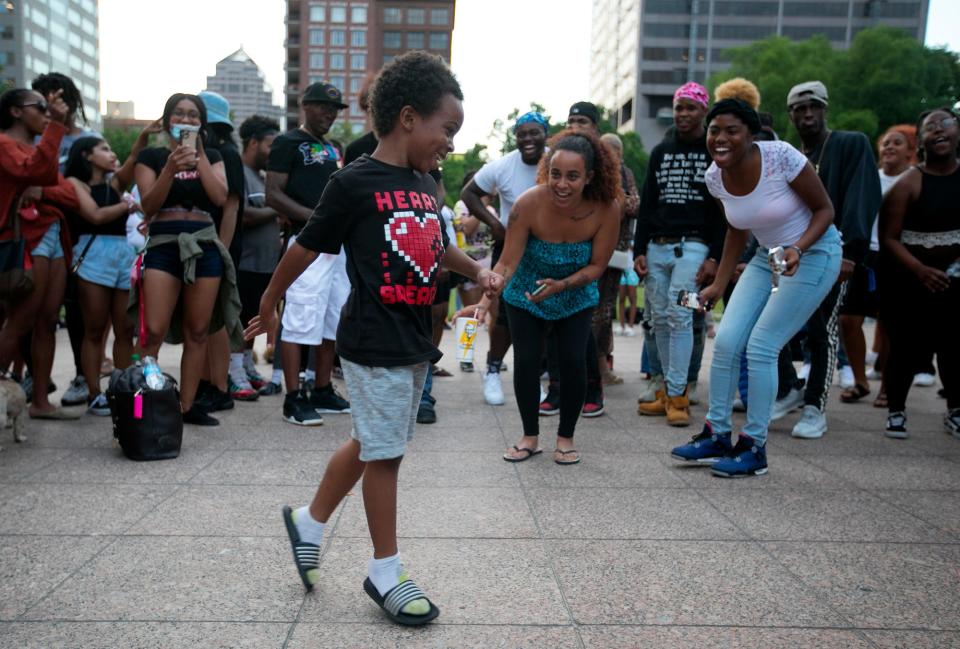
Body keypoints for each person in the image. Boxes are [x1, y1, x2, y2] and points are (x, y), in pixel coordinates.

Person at [244, 51, 502, 625]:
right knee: (386, 455)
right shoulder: (354, 181)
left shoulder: (427, 184)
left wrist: (477, 271)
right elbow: (307, 243)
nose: (451, 144)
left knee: (371, 441)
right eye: (448, 129)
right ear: (408, 117)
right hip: (372, 337)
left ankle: (309, 522)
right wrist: (269, 298)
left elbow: (437, 244)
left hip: (413, 338)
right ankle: (385, 571)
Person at [671, 98, 841, 478]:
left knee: (761, 346)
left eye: (732, 130)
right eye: (715, 130)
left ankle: (754, 446)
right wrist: (718, 282)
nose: (721, 138)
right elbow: (737, 227)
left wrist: (799, 247)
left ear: (751, 134)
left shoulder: (780, 156)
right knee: (728, 341)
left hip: (815, 253)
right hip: (770, 257)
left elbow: (825, 209)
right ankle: (716, 434)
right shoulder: (715, 176)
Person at [463, 129, 620, 465]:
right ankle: (529, 436)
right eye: (556, 174)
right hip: (526, 295)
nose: (562, 184)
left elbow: (597, 267)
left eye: (573, 177)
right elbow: (507, 262)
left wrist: (562, 285)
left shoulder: (606, 209)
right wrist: (485, 303)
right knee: (528, 361)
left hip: (575, 295)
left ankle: (566, 438)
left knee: (573, 362)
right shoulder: (528, 204)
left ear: (590, 177)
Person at [784, 81, 881, 439]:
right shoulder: (792, 155)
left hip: (837, 254)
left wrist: (851, 254)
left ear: (825, 109)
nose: (808, 114)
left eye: (814, 106)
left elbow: (862, 197)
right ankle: (789, 388)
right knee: (774, 326)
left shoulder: (850, 143)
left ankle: (814, 407)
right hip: (796, 254)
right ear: (790, 114)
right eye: (799, 108)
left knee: (823, 328)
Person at [132, 92, 233, 426]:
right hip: (163, 245)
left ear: (202, 123)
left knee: (198, 331)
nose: (186, 120)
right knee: (153, 331)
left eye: (193, 115)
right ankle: (141, 404)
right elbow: (148, 205)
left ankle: (186, 406)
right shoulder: (152, 156)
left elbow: (219, 197)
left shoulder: (213, 154)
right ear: (166, 120)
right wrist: (171, 168)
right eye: (179, 114)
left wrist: (200, 155)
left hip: (204, 245)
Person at [634, 82, 725, 427]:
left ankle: (679, 394)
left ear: (704, 111)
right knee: (658, 318)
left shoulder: (712, 151)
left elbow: (722, 210)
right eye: (679, 107)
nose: (683, 114)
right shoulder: (660, 151)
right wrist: (639, 248)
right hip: (658, 246)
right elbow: (648, 202)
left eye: (691, 107)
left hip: (694, 246)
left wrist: (715, 256)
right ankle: (667, 389)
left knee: (682, 314)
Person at [265, 81, 351, 425]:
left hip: (338, 244)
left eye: (334, 109)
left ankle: (322, 388)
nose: (329, 114)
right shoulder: (288, 142)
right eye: (323, 107)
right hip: (307, 241)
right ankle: (292, 397)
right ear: (305, 106)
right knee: (300, 317)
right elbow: (273, 194)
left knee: (333, 317)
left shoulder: (331, 148)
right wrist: (315, 219)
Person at [63, 124, 159, 415]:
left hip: (120, 254)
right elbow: (93, 214)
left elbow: (133, 158)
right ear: (86, 155)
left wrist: (144, 136)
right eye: (103, 149)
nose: (111, 153)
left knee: (125, 328)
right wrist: (127, 207)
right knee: (93, 329)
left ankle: (121, 387)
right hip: (93, 255)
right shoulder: (75, 183)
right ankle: (94, 392)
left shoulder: (114, 184)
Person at [878, 107, 959, 439]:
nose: (938, 130)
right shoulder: (907, 184)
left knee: (955, 348)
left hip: (955, 280)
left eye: (946, 124)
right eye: (930, 127)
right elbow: (888, 238)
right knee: (905, 349)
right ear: (921, 140)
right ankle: (896, 409)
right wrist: (920, 270)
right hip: (910, 280)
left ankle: (955, 410)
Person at [460, 110, 549, 406]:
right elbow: (469, 193)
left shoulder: (556, 161)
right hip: (511, 247)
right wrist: (494, 224)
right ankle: (493, 371)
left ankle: (533, 376)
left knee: (542, 316)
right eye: (522, 133)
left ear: (545, 134)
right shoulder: (502, 166)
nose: (528, 139)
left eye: (534, 132)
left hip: (549, 248)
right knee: (506, 318)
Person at [30, 72, 103, 408]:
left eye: (60, 99)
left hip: (81, 235)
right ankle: (33, 376)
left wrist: (49, 191)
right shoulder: (30, 140)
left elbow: (93, 190)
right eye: (45, 102)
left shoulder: (89, 141)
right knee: (28, 309)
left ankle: (80, 375)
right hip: (36, 233)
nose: (54, 107)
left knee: (76, 309)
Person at [838, 124, 918, 406]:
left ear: (911, 152)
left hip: (896, 256)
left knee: (891, 324)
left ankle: (888, 385)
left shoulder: (914, 180)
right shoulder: (870, 177)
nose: (889, 147)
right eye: (885, 143)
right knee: (848, 320)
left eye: (897, 143)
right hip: (864, 256)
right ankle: (861, 381)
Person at [196, 91, 250, 409]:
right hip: (213, 245)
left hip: (221, 245)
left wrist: (221, 252)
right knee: (206, 320)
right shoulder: (213, 151)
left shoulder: (225, 153)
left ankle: (217, 385)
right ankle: (207, 382)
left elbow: (230, 208)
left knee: (216, 320)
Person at [237, 115, 283, 396]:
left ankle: (245, 365)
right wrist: (278, 209)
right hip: (245, 262)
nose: (274, 152)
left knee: (255, 320)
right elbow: (242, 215)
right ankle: (234, 372)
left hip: (266, 265)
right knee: (240, 321)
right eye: (270, 145)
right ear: (253, 143)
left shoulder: (263, 178)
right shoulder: (239, 172)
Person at [595, 132, 639, 385]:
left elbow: (633, 205)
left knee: (604, 311)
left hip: (616, 253)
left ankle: (602, 365)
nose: (609, 158)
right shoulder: (593, 174)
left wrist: (617, 202)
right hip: (593, 251)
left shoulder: (625, 174)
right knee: (592, 310)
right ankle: (595, 366)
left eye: (613, 153)